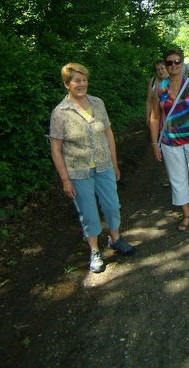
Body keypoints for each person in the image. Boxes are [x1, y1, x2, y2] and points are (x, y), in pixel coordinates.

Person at [50, 63, 135, 274]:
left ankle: (115, 239)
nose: (81, 84)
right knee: (88, 213)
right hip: (78, 172)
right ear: (66, 85)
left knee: (112, 207)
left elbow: (108, 133)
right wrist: (65, 180)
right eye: (76, 81)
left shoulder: (97, 103)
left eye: (84, 79)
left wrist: (114, 163)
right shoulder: (60, 113)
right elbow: (55, 148)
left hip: (104, 165)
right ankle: (95, 250)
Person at [150, 48, 189, 231]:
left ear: (182, 63)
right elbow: (154, 117)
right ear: (165, 65)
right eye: (169, 63)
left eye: (177, 61)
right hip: (170, 142)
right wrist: (155, 143)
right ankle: (186, 214)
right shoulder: (160, 89)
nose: (173, 66)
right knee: (178, 179)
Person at [145, 60, 170, 187]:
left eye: (162, 68)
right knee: (162, 147)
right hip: (158, 118)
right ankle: (168, 175)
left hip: (170, 118)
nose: (161, 71)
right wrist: (148, 116)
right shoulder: (153, 81)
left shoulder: (174, 79)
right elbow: (149, 100)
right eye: (158, 69)